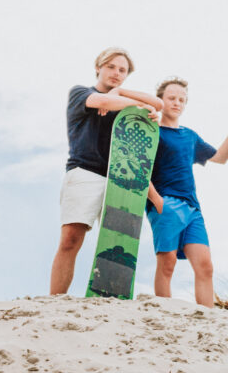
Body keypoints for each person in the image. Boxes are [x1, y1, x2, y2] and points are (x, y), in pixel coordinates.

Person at [51, 47, 166, 295]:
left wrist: (121, 93)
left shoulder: (123, 106)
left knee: (118, 244)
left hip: (120, 180)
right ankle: (54, 301)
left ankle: (109, 299)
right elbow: (102, 101)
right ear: (98, 67)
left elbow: (158, 104)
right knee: (71, 239)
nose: (116, 73)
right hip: (84, 173)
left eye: (122, 70)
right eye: (111, 67)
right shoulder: (80, 93)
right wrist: (130, 102)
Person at [144, 78, 228, 307]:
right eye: (171, 98)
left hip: (193, 209)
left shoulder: (190, 136)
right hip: (165, 205)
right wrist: (156, 200)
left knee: (205, 266)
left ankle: (209, 319)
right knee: (168, 264)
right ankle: (164, 313)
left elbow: (219, 158)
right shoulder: (151, 131)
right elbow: (138, 169)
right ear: (160, 100)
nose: (176, 103)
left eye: (181, 100)